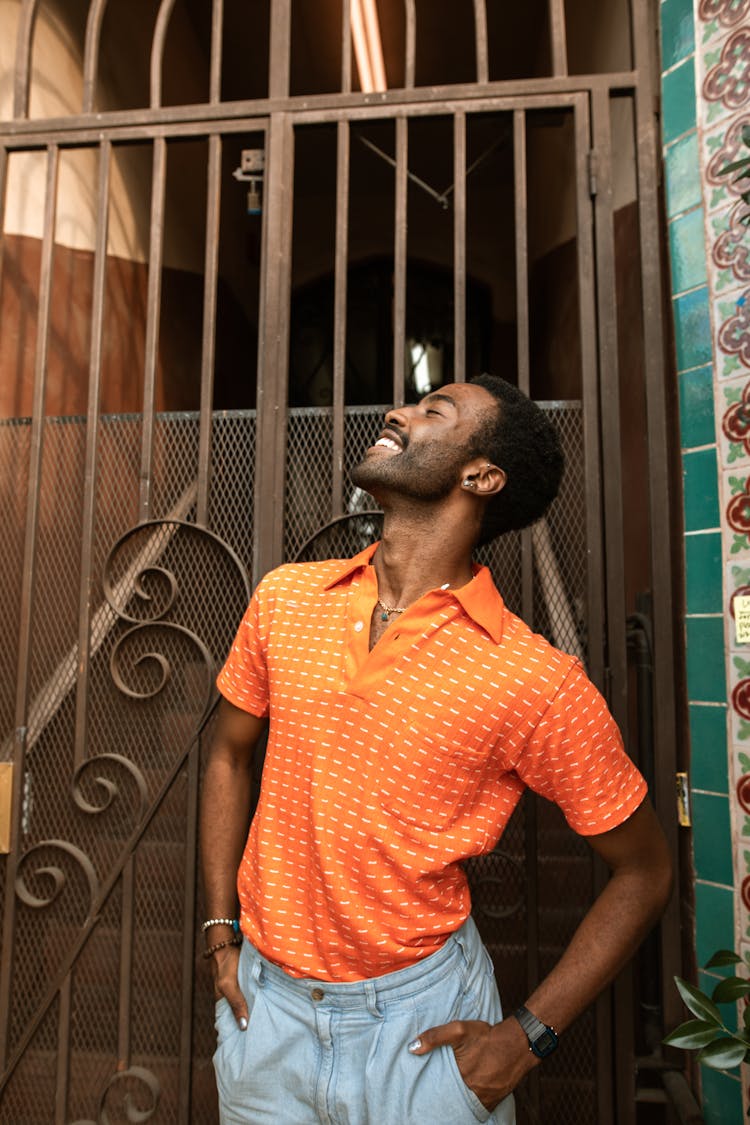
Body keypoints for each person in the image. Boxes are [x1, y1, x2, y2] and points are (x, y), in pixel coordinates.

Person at [200, 373, 673, 1124]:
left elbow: (645, 870)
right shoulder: (286, 598)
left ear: (481, 476)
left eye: (434, 410)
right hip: (268, 1016)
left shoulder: (533, 677)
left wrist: (527, 1037)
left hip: (423, 1035)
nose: (399, 412)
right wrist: (220, 932)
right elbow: (227, 754)